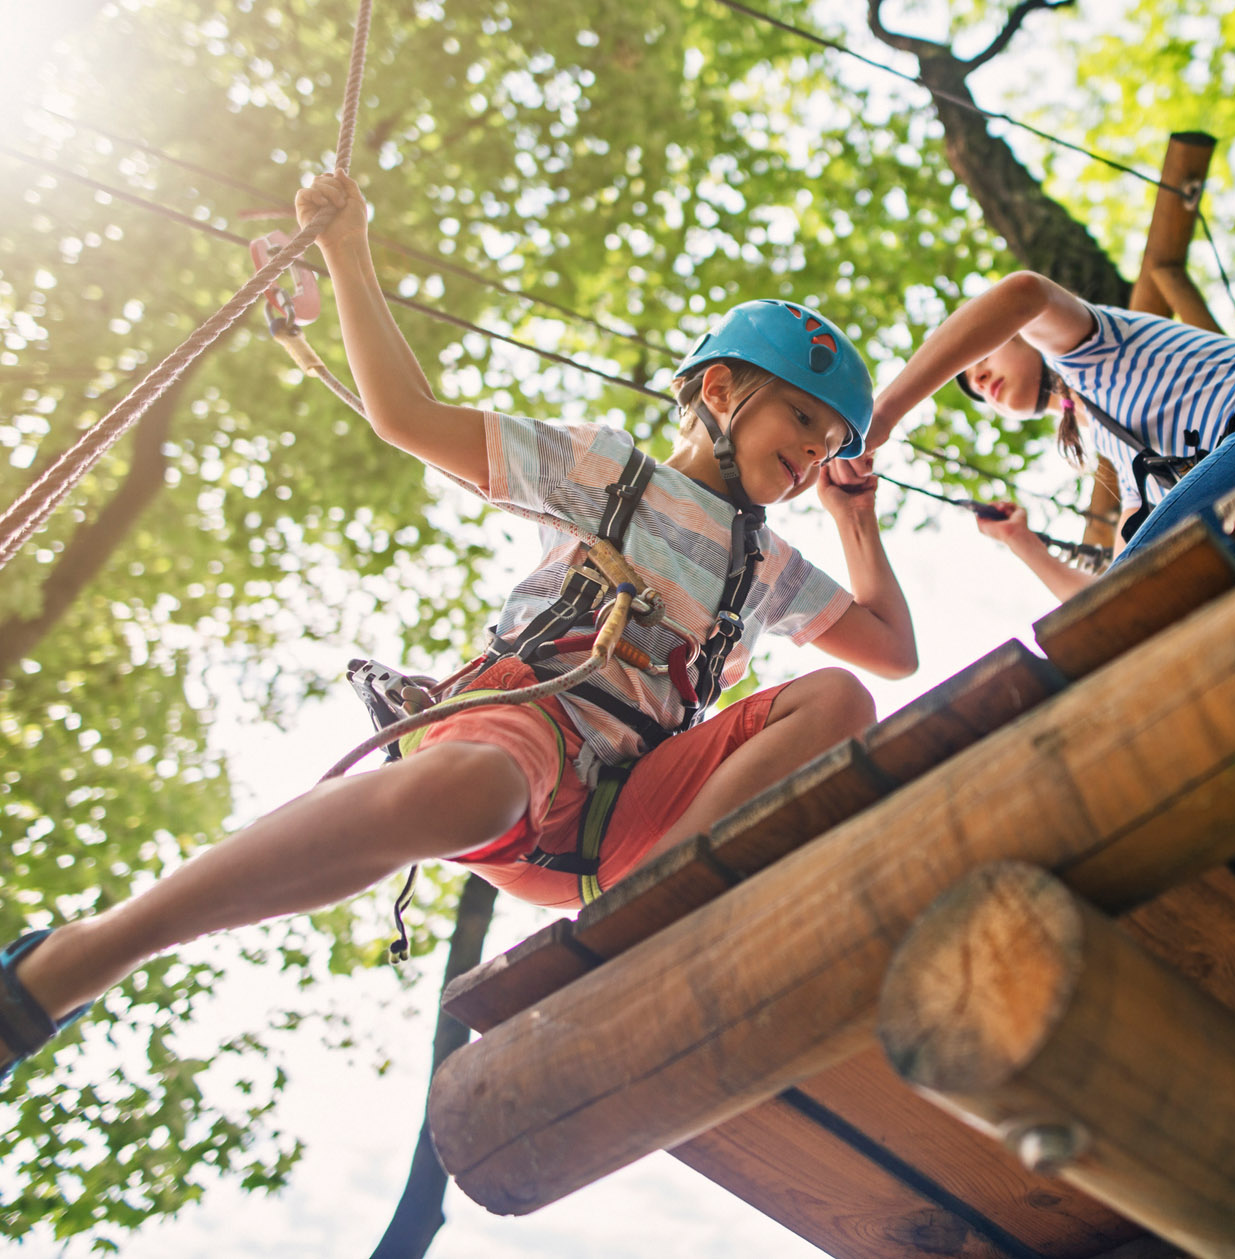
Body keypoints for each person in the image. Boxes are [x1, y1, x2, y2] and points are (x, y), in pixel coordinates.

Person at [0, 172, 916, 1082]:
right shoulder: (609, 470)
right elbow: (406, 416)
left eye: (831, 440)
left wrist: (852, 516)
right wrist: (349, 251)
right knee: (481, 786)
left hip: (628, 810)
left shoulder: (768, 568)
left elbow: (891, 650)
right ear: (719, 390)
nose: (813, 450)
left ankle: (658, 902)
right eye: (803, 417)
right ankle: (90, 952)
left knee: (839, 697)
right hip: (526, 730)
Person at [860, 270, 1235, 600]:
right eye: (974, 392)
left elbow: (1022, 292)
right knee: (1131, 598)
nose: (978, 382)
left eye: (981, 359)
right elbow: (1105, 601)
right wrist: (1022, 544)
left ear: (1024, 339)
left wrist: (882, 415)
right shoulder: (1125, 464)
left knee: (1146, 582)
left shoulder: (1089, 350)